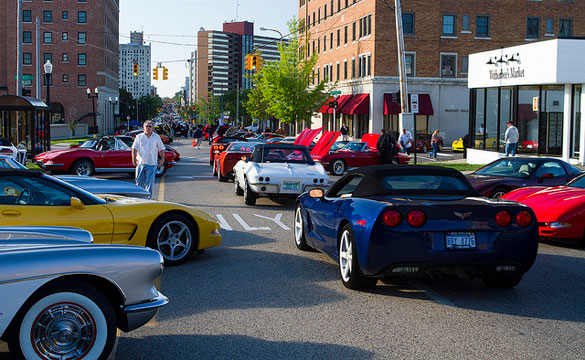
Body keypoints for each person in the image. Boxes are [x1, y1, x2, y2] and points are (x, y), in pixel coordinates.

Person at [132, 120, 165, 199]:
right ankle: (139, 199)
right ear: (143, 127)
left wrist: (162, 159)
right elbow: (134, 148)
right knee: (139, 183)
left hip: (152, 164)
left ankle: (147, 200)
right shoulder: (139, 137)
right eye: (146, 126)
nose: (148, 128)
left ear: (152, 128)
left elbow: (161, 149)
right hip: (141, 163)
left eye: (150, 126)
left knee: (149, 184)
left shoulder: (156, 137)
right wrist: (133, 159)